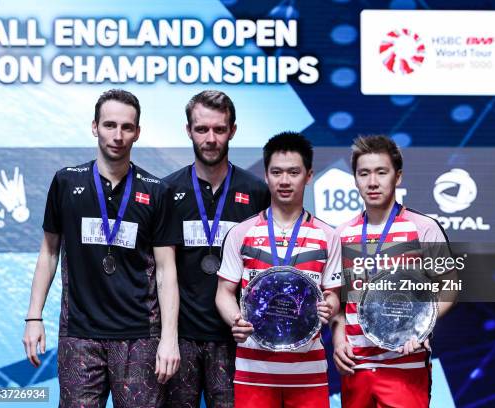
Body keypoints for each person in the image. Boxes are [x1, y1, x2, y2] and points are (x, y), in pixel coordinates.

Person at [22, 89, 181, 407]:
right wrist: (33, 317)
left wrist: (169, 338)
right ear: (94, 126)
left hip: (140, 337)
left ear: (138, 132)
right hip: (79, 335)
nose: (118, 135)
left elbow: (165, 271)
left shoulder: (157, 191)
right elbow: (49, 252)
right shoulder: (66, 182)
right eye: (110, 125)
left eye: (126, 127)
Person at [215, 132, 342, 408]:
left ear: (309, 176)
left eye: (293, 172)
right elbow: (224, 293)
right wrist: (236, 320)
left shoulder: (328, 235)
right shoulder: (242, 232)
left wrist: (329, 307)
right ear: (266, 175)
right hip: (253, 372)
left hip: (309, 373)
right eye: (277, 172)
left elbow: (332, 294)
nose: (284, 181)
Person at [331, 135, 457, 408]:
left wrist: (421, 328)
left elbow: (449, 285)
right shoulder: (341, 234)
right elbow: (338, 300)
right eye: (364, 173)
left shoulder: (423, 228)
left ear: (397, 177)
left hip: (405, 367)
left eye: (381, 172)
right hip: (357, 368)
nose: (372, 182)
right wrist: (338, 338)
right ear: (355, 179)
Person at [163, 90, 270, 407]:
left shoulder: (257, 193)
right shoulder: (166, 191)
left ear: (232, 130)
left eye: (219, 129)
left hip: (237, 340)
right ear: (188, 131)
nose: (210, 138)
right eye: (201, 129)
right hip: (180, 341)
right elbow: (158, 271)